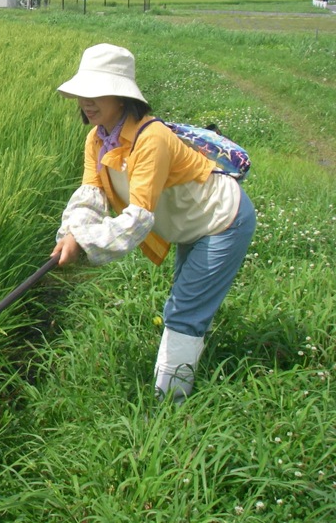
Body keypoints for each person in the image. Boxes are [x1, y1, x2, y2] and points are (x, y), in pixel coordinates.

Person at [51, 43, 256, 402]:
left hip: (223, 220)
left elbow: (138, 218)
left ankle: (169, 406)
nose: (86, 101)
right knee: (186, 303)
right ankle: (182, 379)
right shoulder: (96, 139)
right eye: (83, 92)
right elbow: (91, 195)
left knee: (182, 312)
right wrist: (71, 232)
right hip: (191, 225)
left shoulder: (151, 139)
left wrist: (83, 243)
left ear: (122, 97)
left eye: (97, 92)